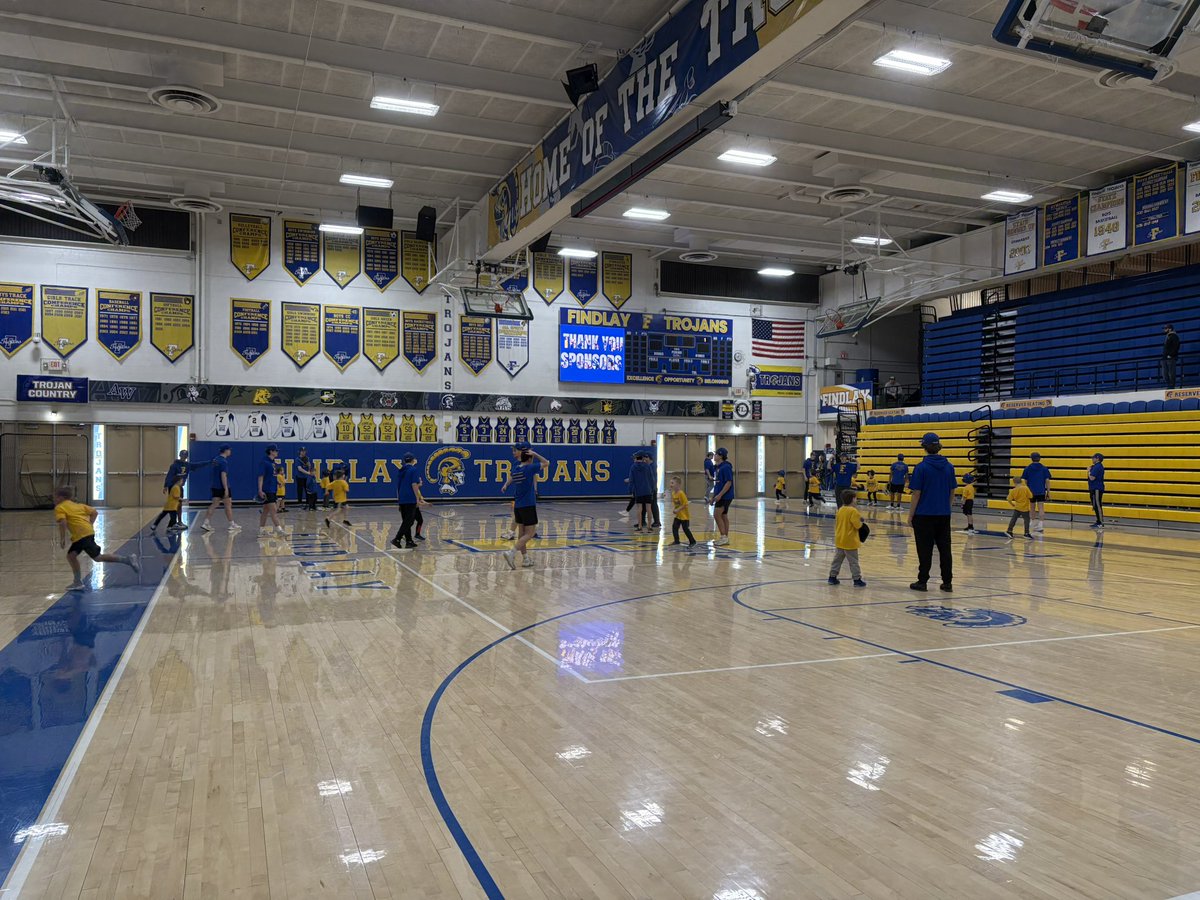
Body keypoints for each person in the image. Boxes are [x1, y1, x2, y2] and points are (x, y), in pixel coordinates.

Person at [55, 485, 139, 590]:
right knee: (71, 556)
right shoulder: (77, 505)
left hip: (82, 536)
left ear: (61, 498)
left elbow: (63, 522)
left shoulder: (60, 507)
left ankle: (127, 560)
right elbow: (94, 512)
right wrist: (90, 524)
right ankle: (77, 582)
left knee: (97, 557)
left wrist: (62, 538)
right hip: (83, 534)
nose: (55, 499)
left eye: (56, 497)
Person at [908, 432, 956, 592]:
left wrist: (910, 515)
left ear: (924, 447)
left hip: (924, 515)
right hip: (943, 514)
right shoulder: (949, 466)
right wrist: (946, 508)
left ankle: (922, 581)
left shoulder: (921, 467)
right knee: (945, 549)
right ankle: (947, 582)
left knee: (925, 550)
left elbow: (916, 494)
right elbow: (952, 492)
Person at [503, 443, 549, 569]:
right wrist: (535, 454)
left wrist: (506, 485)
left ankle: (525, 559)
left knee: (521, 533)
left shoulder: (517, 469)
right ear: (529, 456)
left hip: (518, 505)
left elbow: (511, 477)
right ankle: (511, 552)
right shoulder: (529, 469)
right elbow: (546, 462)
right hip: (528, 505)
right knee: (530, 533)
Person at [828, 489, 867, 587]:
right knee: (853, 562)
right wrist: (862, 522)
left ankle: (832, 577)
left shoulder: (840, 509)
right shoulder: (853, 511)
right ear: (853, 499)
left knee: (837, 560)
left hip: (840, 540)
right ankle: (857, 579)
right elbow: (857, 525)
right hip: (850, 541)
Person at [392, 453, 428, 549]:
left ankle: (409, 541)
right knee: (409, 521)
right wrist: (417, 498)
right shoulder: (413, 470)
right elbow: (414, 484)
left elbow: (398, 487)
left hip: (402, 499)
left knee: (406, 521)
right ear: (413, 460)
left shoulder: (401, 470)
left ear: (404, 461)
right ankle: (397, 539)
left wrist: (399, 500)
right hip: (410, 498)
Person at [201, 444, 239, 533]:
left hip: (215, 486)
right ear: (225, 450)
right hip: (222, 486)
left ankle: (205, 523)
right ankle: (231, 524)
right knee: (228, 505)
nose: (230, 451)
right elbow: (223, 475)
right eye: (229, 450)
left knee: (214, 504)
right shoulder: (224, 462)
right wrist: (225, 488)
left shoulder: (216, 459)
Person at [257, 445, 285, 536]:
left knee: (265, 510)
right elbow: (261, 476)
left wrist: (278, 483)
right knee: (274, 510)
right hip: (267, 490)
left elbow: (272, 476)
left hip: (273, 489)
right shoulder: (264, 462)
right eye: (276, 451)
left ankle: (261, 530)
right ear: (271, 451)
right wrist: (260, 490)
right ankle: (279, 530)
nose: (277, 452)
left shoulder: (273, 463)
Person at [1021, 452, 1053, 532]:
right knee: (1041, 507)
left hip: (1031, 491)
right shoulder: (1044, 468)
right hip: (1041, 491)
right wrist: (1048, 492)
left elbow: (1025, 480)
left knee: (1032, 507)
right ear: (1039, 458)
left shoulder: (1027, 468)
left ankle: (1032, 522)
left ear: (1031, 458)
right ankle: (1041, 524)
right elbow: (1047, 480)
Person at [709, 447, 734, 546]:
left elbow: (728, 483)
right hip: (721, 495)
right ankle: (725, 538)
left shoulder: (726, 467)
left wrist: (719, 495)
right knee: (723, 515)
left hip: (725, 496)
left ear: (721, 456)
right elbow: (718, 484)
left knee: (717, 514)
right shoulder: (718, 468)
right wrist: (713, 496)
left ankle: (724, 537)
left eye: (716, 454)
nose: (714, 456)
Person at [629, 452, 656, 533]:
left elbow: (631, 480)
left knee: (639, 509)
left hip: (638, 491)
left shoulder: (633, 467)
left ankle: (640, 526)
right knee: (649, 508)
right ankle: (649, 526)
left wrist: (631, 490)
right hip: (648, 490)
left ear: (637, 458)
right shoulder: (647, 466)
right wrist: (652, 489)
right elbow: (651, 479)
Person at [669, 476, 697, 547]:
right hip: (678, 516)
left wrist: (678, 509)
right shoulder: (673, 493)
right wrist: (675, 510)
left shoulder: (681, 493)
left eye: (672, 483)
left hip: (684, 516)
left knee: (685, 529)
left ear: (678, 484)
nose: (671, 484)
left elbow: (685, 504)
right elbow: (677, 504)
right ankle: (676, 540)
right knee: (674, 527)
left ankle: (692, 541)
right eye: (670, 483)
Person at [1088, 453, 1106, 529]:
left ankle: (1101, 522)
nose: (1092, 459)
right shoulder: (1096, 466)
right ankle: (1098, 521)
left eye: (1093, 458)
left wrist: (1089, 471)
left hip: (1097, 488)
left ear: (1097, 459)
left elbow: (1092, 478)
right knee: (1095, 505)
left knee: (1098, 505)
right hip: (1094, 488)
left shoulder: (1097, 467)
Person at [1163, 324, 1180, 388]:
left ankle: (1172, 386)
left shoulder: (1174, 336)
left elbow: (1176, 347)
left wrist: (1171, 355)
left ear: (1170, 329)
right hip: (1165, 358)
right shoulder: (1167, 336)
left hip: (1171, 358)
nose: (1164, 330)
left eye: (1165, 328)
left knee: (1171, 373)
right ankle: (1169, 385)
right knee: (1164, 374)